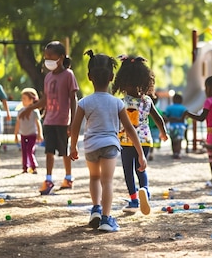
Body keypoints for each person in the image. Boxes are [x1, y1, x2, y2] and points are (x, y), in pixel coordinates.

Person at [70, 50, 146, 232]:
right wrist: (140, 153)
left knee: (94, 178)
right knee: (107, 182)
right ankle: (106, 219)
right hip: (110, 145)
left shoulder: (84, 102)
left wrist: (72, 147)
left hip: (91, 146)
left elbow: (74, 127)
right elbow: (130, 129)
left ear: (89, 77)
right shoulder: (117, 103)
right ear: (112, 77)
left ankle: (95, 208)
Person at [18, 41, 79, 195]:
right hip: (49, 120)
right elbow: (45, 99)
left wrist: (73, 121)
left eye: (51, 56)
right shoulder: (48, 77)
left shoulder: (68, 75)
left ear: (61, 57)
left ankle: (68, 177)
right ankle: (48, 179)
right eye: (46, 57)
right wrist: (30, 108)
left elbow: (73, 98)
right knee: (49, 151)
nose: (48, 60)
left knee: (64, 151)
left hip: (63, 120)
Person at [112, 55, 168, 215]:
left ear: (122, 82)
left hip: (125, 141)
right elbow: (159, 119)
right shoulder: (147, 101)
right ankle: (145, 191)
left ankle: (134, 200)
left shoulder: (121, 102)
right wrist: (163, 133)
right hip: (144, 141)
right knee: (141, 169)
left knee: (128, 171)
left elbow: (115, 122)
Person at [14, 88, 43, 173]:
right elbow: (18, 123)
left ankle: (33, 166)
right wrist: (16, 134)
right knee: (24, 151)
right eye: (22, 98)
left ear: (31, 100)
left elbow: (38, 123)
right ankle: (24, 167)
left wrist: (40, 133)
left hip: (32, 134)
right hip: (23, 134)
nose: (22, 100)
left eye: (25, 99)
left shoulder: (34, 111)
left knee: (30, 150)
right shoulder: (20, 111)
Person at [163, 93, 188, 159]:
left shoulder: (169, 108)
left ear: (173, 100)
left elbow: (165, 116)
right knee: (179, 140)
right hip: (181, 126)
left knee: (173, 140)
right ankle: (178, 153)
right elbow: (186, 117)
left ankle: (174, 153)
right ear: (181, 100)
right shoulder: (183, 108)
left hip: (172, 126)